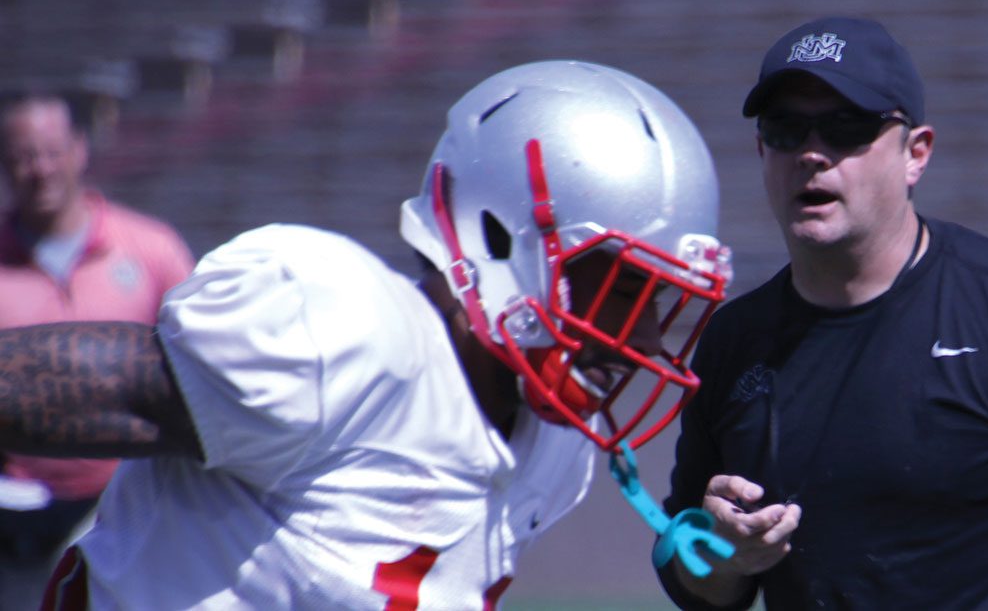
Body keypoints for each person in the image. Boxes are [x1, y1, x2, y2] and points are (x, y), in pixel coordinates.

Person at [0, 60, 734, 609]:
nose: (636, 330)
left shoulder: (558, 444)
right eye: (620, 287)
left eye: (659, 298)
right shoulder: (341, 333)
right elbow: (66, 388)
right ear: (499, 237)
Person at [657, 16, 988, 609]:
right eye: (785, 129)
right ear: (761, 150)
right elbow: (691, 578)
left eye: (846, 127)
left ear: (915, 153)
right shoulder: (734, 339)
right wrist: (726, 558)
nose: (812, 154)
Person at [0, 92, 195, 604]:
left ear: (79, 150)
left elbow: (198, 371)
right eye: (22, 157)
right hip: (15, 516)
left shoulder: (152, 249)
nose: (39, 169)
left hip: (127, 503)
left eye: (50, 151)